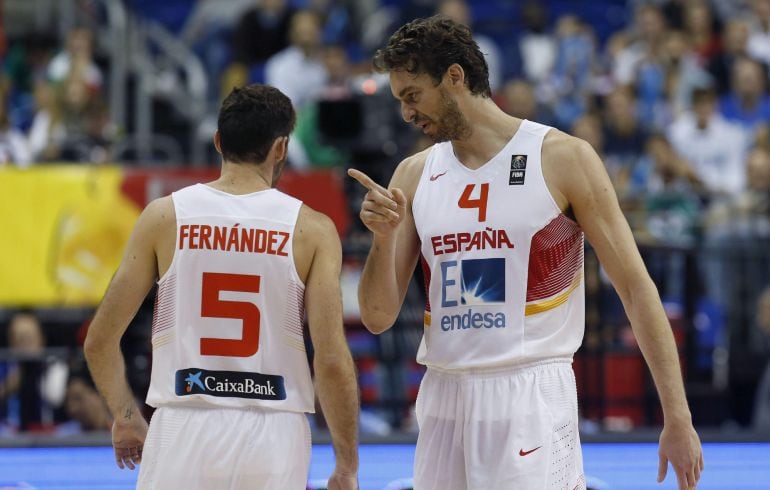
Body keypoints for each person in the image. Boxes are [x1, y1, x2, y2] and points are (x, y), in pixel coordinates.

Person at [349, 16, 703, 490]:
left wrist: (677, 416)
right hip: (442, 394)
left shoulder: (561, 157)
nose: (406, 114)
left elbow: (637, 291)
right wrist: (383, 236)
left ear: (454, 77)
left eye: (412, 95)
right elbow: (375, 316)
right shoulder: (412, 175)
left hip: (529, 389)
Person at [84, 84, 359, 490]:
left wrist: (126, 418)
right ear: (281, 148)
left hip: (182, 423)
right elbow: (332, 359)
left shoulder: (164, 216)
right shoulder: (312, 229)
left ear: (217, 142)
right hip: (274, 432)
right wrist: (346, 463)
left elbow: (99, 340)